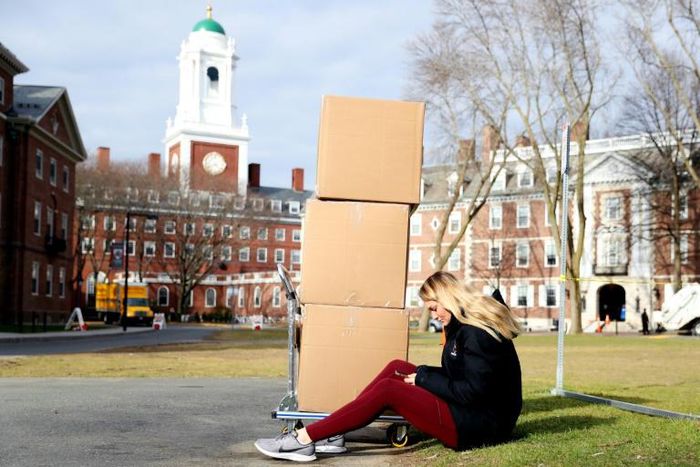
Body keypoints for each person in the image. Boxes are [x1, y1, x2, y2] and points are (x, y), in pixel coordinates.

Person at [254, 271, 523, 462]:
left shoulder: (475, 333)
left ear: (448, 298)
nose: (434, 315)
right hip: (470, 413)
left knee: (389, 390)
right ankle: (334, 432)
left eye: (433, 308)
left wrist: (423, 378)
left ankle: (303, 440)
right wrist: (423, 375)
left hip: (475, 426)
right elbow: (462, 378)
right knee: (397, 367)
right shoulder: (461, 327)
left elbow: (471, 391)